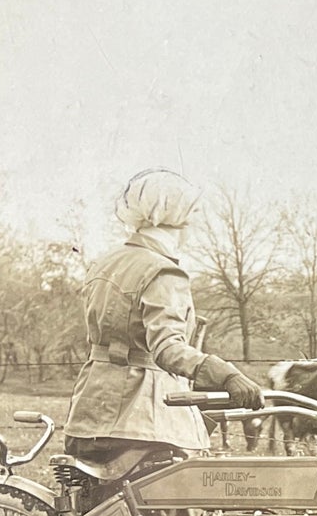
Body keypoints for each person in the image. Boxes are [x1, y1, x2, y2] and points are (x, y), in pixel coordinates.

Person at [64, 169, 265, 496]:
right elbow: (168, 349)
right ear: (176, 218)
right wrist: (226, 375)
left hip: (89, 412)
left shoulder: (104, 264)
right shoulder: (163, 270)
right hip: (145, 421)